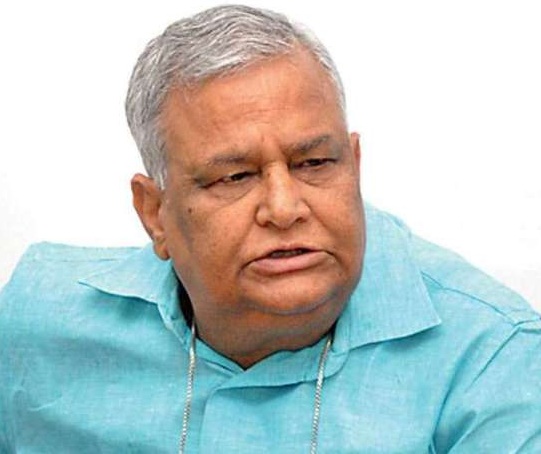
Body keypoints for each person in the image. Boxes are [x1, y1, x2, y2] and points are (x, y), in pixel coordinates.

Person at [0, 4, 539, 453]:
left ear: (354, 166)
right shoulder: (35, 322)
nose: (284, 208)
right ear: (154, 213)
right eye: (234, 176)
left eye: (315, 163)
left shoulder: (493, 359)